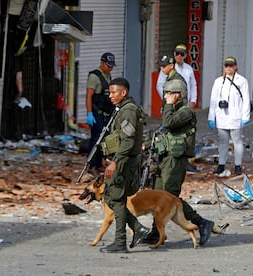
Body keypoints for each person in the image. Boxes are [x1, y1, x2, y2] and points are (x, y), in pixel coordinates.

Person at [145, 79, 214, 246]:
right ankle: (156, 231)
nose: (165, 96)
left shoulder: (186, 112)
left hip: (176, 161)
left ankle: (202, 223)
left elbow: (169, 123)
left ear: (178, 95)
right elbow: (163, 131)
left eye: (169, 93)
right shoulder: (172, 111)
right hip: (165, 159)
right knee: (157, 195)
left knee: (169, 197)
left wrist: (168, 105)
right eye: (165, 93)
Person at [99, 77, 150, 253]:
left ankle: (120, 242)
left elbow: (127, 142)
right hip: (123, 160)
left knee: (116, 197)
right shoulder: (122, 109)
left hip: (124, 162)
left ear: (124, 92)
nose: (110, 96)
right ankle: (137, 228)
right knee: (112, 197)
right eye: (110, 92)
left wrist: (114, 162)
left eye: (114, 92)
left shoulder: (128, 111)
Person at [208, 57, 250, 176]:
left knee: (237, 141)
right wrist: (211, 117)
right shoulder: (218, 81)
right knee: (223, 141)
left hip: (235, 116)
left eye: (231, 66)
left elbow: (246, 99)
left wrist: (245, 116)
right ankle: (221, 165)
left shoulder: (242, 81)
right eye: (226, 66)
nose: (228, 68)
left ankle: (238, 166)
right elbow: (213, 100)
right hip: (222, 116)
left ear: (235, 67)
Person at [85, 52, 115, 177]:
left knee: (103, 140)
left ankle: (98, 163)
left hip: (106, 113)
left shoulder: (108, 76)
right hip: (96, 114)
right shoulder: (94, 76)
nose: (110, 68)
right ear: (102, 63)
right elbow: (89, 96)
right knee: (95, 140)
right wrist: (89, 113)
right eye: (108, 66)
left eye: (112, 66)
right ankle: (91, 166)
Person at [173, 44, 198, 109]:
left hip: (186, 105)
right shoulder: (169, 67)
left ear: (185, 56)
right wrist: (167, 100)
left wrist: (193, 100)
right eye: (177, 54)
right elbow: (160, 85)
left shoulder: (189, 69)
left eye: (182, 54)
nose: (179, 56)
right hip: (172, 105)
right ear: (174, 54)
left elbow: (193, 85)